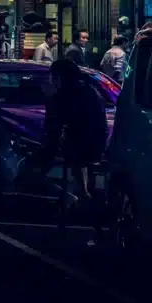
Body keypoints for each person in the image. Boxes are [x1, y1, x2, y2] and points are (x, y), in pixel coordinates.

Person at [44, 60, 108, 203]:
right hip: (98, 142)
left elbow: (55, 125)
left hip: (81, 145)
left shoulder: (64, 96)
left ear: (59, 78)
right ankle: (87, 194)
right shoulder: (90, 89)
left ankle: (81, 196)